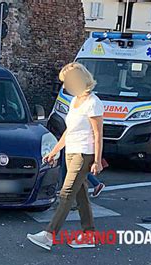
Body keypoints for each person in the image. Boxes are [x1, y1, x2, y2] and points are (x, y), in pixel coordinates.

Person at [27, 62, 104, 250]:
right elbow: (69, 132)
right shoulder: (75, 101)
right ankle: (89, 234)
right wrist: (54, 151)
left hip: (83, 154)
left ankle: (49, 234)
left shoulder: (93, 103)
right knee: (81, 195)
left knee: (66, 193)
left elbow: (98, 134)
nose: (66, 85)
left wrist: (96, 161)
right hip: (71, 152)